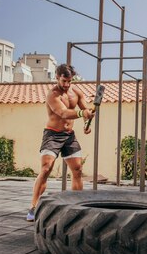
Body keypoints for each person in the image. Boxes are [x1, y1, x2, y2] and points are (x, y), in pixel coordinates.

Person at [26, 64, 95, 221]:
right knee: (46, 169)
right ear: (57, 77)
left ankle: (76, 206)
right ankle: (33, 207)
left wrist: (87, 121)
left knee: (77, 170)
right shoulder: (53, 95)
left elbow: (86, 111)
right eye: (64, 81)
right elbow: (63, 113)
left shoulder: (76, 92)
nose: (66, 84)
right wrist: (81, 113)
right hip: (52, 135)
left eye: (69, 81)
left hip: (69, 136)